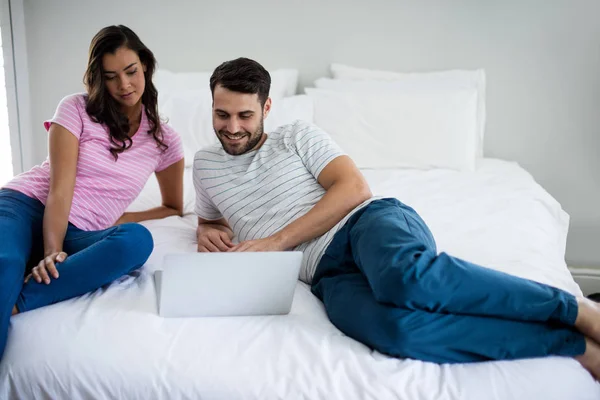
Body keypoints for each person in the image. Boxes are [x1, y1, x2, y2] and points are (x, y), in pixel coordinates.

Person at [192, 57, 600, 379]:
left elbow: (354, 188)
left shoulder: (296, 134)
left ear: (266, 107)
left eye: (244, 116)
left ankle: (574, 310)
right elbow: (210, 219)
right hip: (324, 275)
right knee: (396, 331)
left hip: (365, 224)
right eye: (221, 115)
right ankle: (571, 345)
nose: (232, 128)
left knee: (406, 280)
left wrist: (275, 242)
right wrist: (208, 230)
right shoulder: (204, 165)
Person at [0, 25, 185, 360]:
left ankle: (19, 300)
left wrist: (123, 216)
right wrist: (52, 252)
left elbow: (173, 206)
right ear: (99, 78)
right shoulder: (76, 109)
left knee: (137, 240)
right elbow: (59, 190)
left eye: (130, 72)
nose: (124, 85)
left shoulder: (165, 140)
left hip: (83, 231)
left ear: (145, 65)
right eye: (111, 76)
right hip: (25, 206)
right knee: (6, 261)